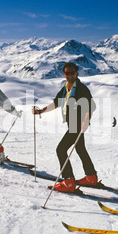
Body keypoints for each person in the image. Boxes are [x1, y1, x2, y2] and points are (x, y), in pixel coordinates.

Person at [32, 62, 98, 192]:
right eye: (67, 73)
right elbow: (56, 103)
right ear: (64, 74)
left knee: (60, 150)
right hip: (71, 123)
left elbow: (90, 106)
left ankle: (68, 181)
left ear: (77, 73)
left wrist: (86, 120)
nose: (69, 75)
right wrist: (41, 111)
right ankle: (91, 177)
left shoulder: (81, 89)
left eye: (72, 72)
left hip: (77, 125)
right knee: (80, 149)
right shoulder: (66, 88)